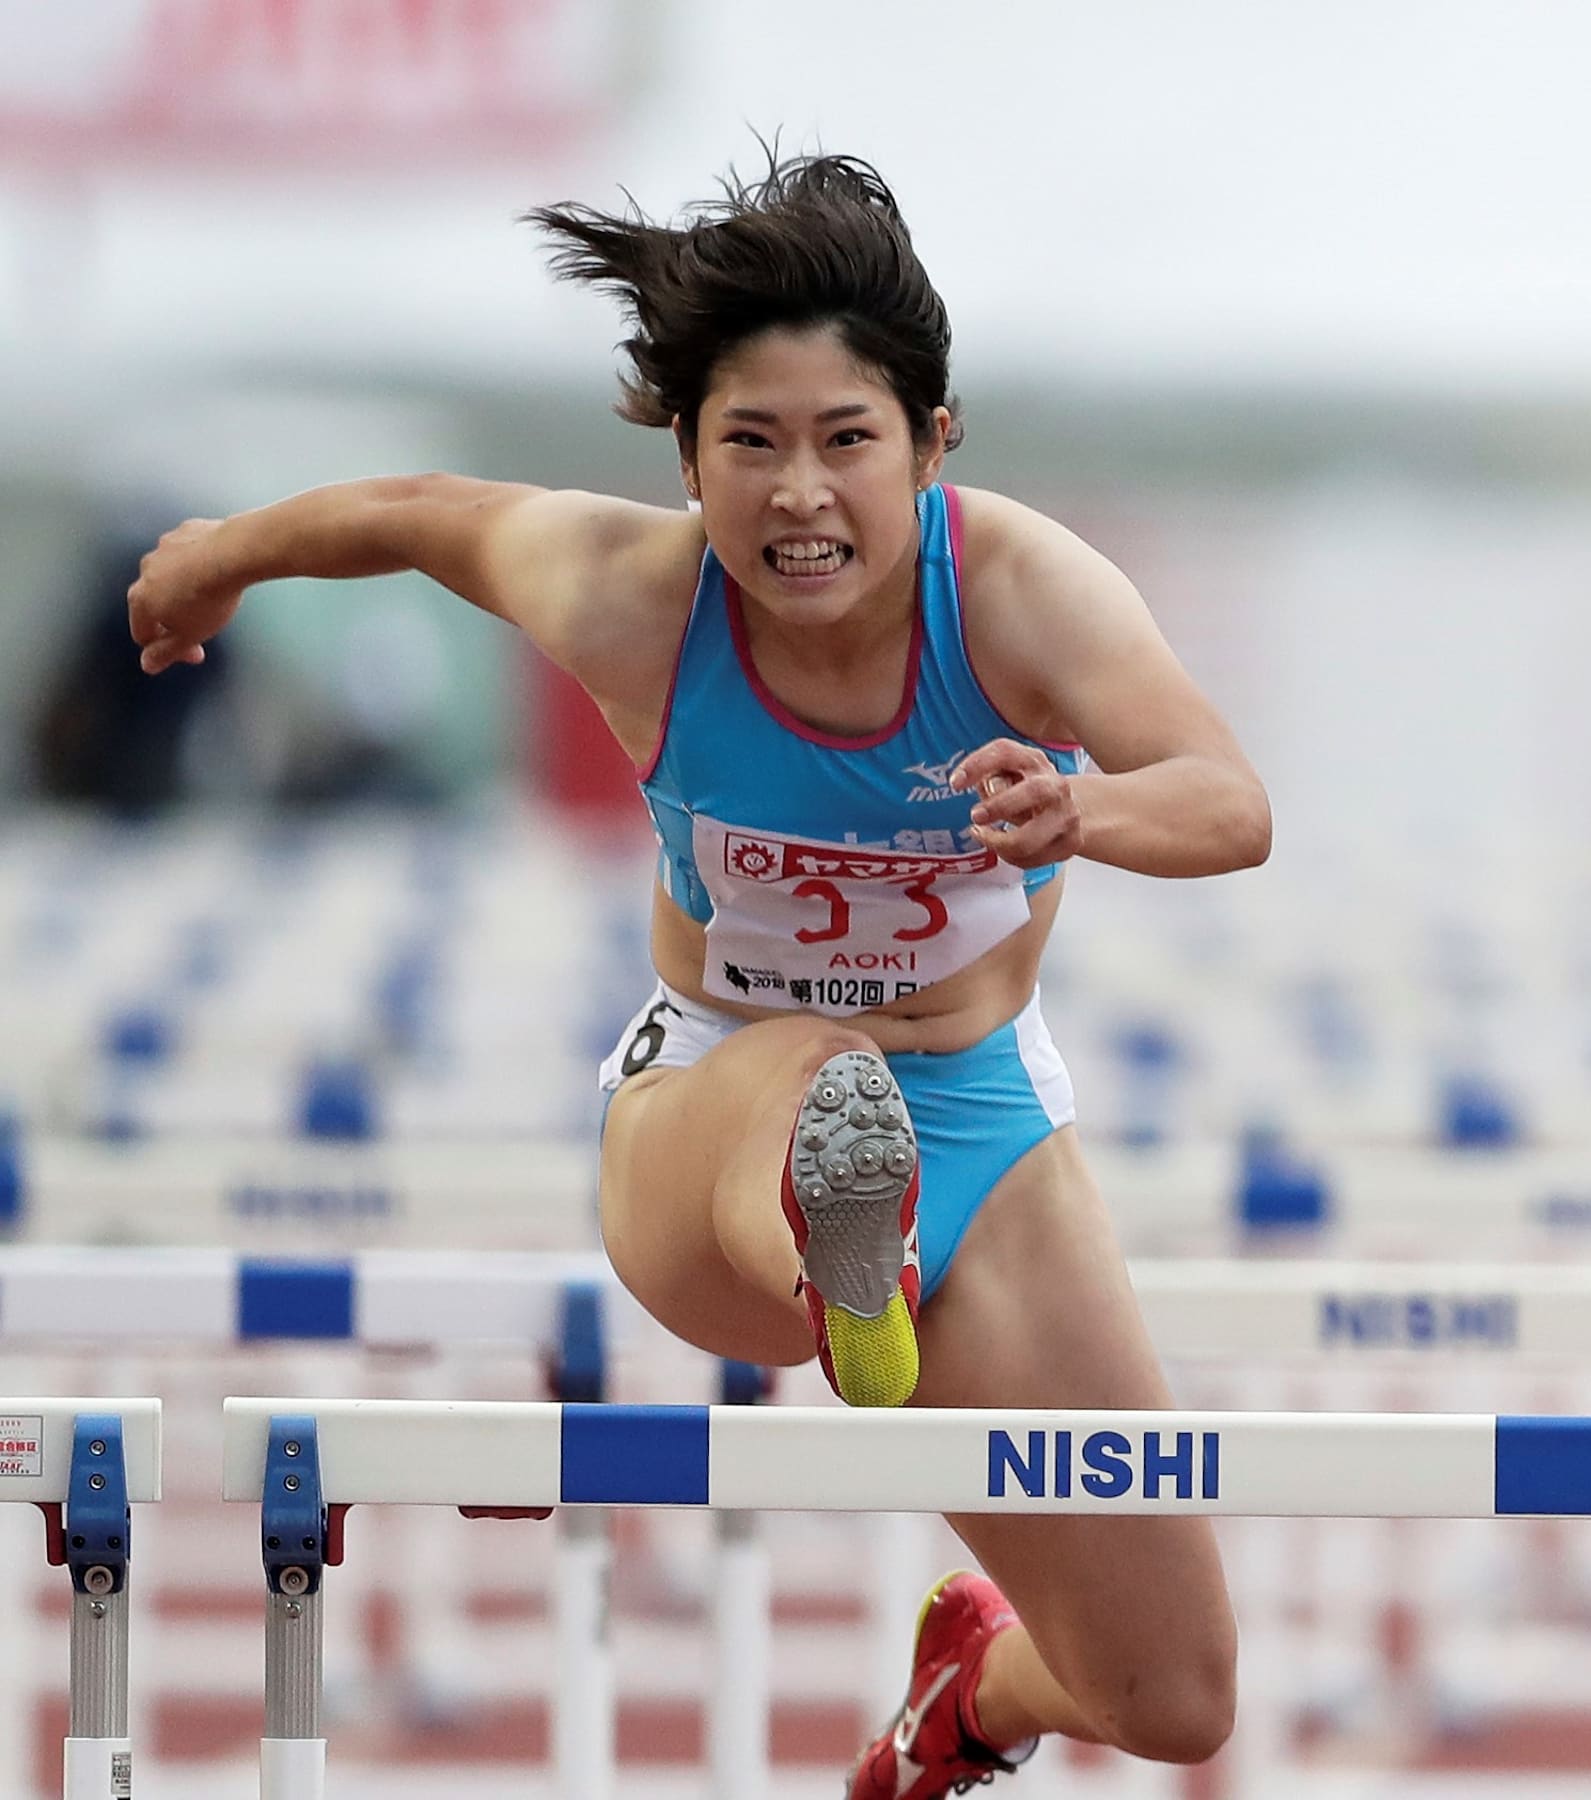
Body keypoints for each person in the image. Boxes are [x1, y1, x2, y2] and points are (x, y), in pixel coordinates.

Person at [125, 153, 1261, 1795]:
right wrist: (221, 553)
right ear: (688, 458)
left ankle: (970, 1692)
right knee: (816, 1067)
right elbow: (425, 515)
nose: (799, 495)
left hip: (986, 1115)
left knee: (1170, 1693)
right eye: (752, 445)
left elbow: (1232, 802)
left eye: (846, 442)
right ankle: (833, 1238)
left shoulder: (1024, 595)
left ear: (933, 448)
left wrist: (1082, 803)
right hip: (711, 1100)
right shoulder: (637, 598)